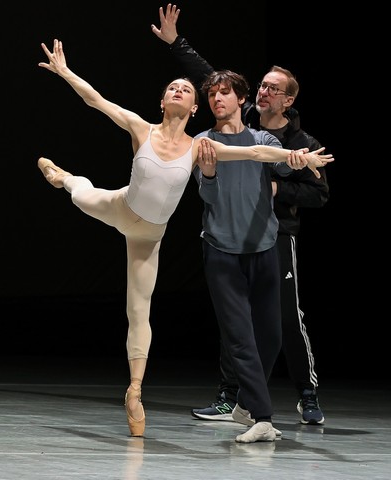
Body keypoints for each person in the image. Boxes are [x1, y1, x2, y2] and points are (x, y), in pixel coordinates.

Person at [34, 39, 332, 439]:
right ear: (162, 102)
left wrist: (302, 157)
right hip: (121, 207)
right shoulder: (141, 128)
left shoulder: (199, 146)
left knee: (138, 310)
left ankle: (134, 390)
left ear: (194, 108)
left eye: (186, 89)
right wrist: (65, 72)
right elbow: (97, 101)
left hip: (149, 237)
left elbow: (256, 155)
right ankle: (65, 178)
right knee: (81, 194)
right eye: (172, 87)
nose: (178, 90)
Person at [152, 3, 330, 425]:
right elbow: (212, 78)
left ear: (288, 99)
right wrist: (176, 42)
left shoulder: (295, 139)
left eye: (274, 89)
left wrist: (278, 184)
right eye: (262, 85)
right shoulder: (234, 121)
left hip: (274, 234)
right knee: (235, 324)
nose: (265, 92)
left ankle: (305, 394)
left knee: (281, 321)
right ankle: (233, 398)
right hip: (227, 237)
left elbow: (313, 189)